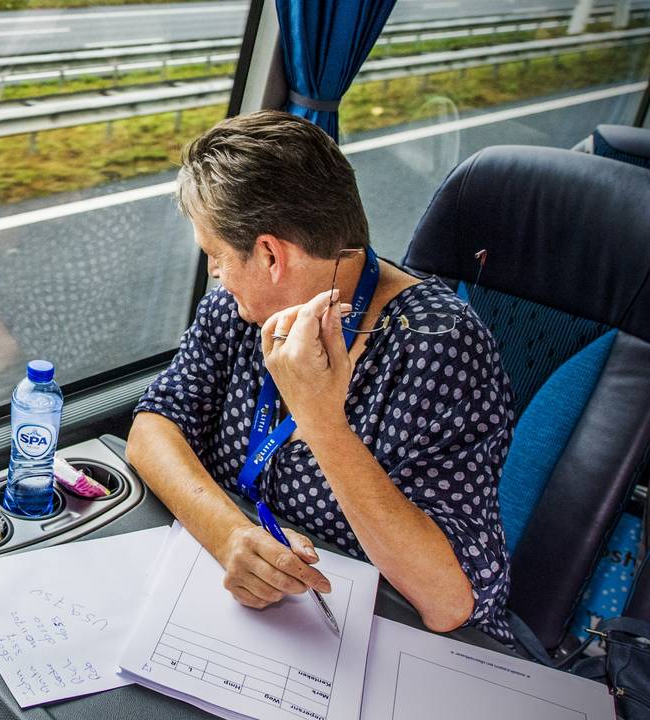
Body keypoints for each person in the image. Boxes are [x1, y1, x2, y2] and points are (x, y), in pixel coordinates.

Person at [127, 111, 514, 643]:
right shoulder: (238, 310)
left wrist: (321, 418)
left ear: (269, 254)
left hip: (379, 633)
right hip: (267, 613)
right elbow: (154, 427)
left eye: (216, 256)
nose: (215, 274)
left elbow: (447, 601)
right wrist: (230, 536)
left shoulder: (438, 347)